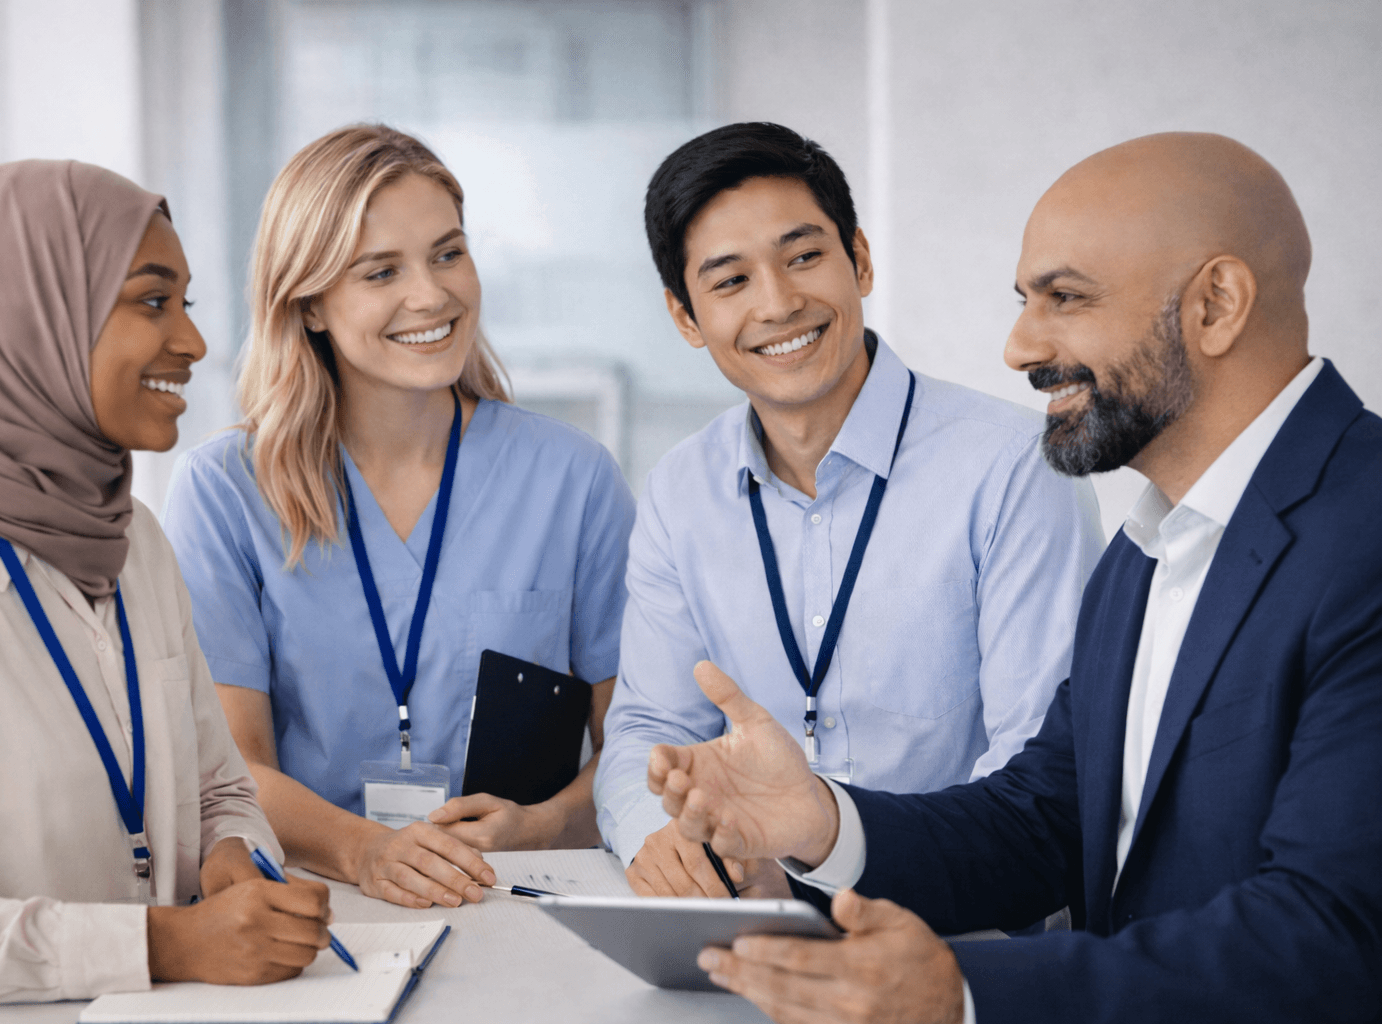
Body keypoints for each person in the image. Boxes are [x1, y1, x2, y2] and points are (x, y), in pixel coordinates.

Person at [645, 132, 1382, 1023]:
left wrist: (960, 992)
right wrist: (818, 821)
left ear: (1216, 304)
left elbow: (1336, 932)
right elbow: (1043, 821)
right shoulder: (1142, 556)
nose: (1019, 347)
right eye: (1025, 301)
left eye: (1064, 298)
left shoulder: (1364, 533)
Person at [0, 161, 334, 1002]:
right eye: (153, 301)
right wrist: (161, 943)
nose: (193, 341)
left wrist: (233, 862)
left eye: (187, 302)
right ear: (25, 317)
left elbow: (219, 786)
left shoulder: (132, 536)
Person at [594, 122, 1103, 898]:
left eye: (804, 257)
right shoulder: (679, 490)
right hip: (747, 913)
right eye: (730, 282)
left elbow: (1038, 770)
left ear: (859, 260)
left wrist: (829, 855)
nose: (778, 303)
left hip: (953, 916)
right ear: (685, 318)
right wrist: (657, 837)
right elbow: (647, 732)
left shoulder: (1012, 467)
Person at [162, 125, 636, 912]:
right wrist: (366, 851)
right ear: (309, 304)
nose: (432, 294)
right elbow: (229, 769)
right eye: (382, 271)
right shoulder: (222, 493)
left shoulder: (573, 478)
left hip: (523, 896)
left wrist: (546, 823)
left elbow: (636, 741)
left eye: (448, 253)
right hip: (318, 908)